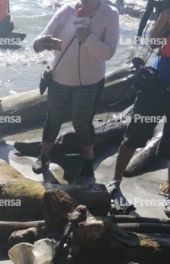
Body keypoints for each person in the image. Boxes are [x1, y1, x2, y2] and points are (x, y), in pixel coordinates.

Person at [32, 0, 119, 177]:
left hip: (90, 82)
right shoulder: (67, 10)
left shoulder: (110, 14)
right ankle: (44, 156)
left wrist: (87, 37)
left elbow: (108, 53)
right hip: (59, 79)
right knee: (53, 118)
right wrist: (40, 43)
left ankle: (88, 156)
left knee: (82, 122)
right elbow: (43, 36)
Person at [105, 4, 170, 216]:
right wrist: (167, 15)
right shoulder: (168, 11)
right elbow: (152, 43)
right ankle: (115, 181)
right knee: (134, 135)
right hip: (157, 85)